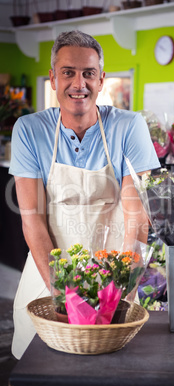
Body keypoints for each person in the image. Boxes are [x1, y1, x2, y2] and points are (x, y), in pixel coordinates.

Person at [9, 30, 160, 359]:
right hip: (50, 272)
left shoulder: (128, 127)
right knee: (39, 368)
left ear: (101, 79)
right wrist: (64, 295)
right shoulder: (30, 130)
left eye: (88, 73)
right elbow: (32, 221)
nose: (79, 84)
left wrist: (117, 289)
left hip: (115, 272)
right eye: (68, 72)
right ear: (52, 78)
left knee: (111, 370)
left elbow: (136, 219)